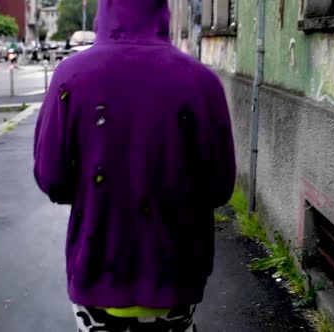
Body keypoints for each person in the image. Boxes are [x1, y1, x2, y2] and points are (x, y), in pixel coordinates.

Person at [33, 0, 236, 331]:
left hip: (98, 268)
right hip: (176, 272)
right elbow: (219, 186)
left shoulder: (71, 76)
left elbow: (52, 176)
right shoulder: (201, 82)